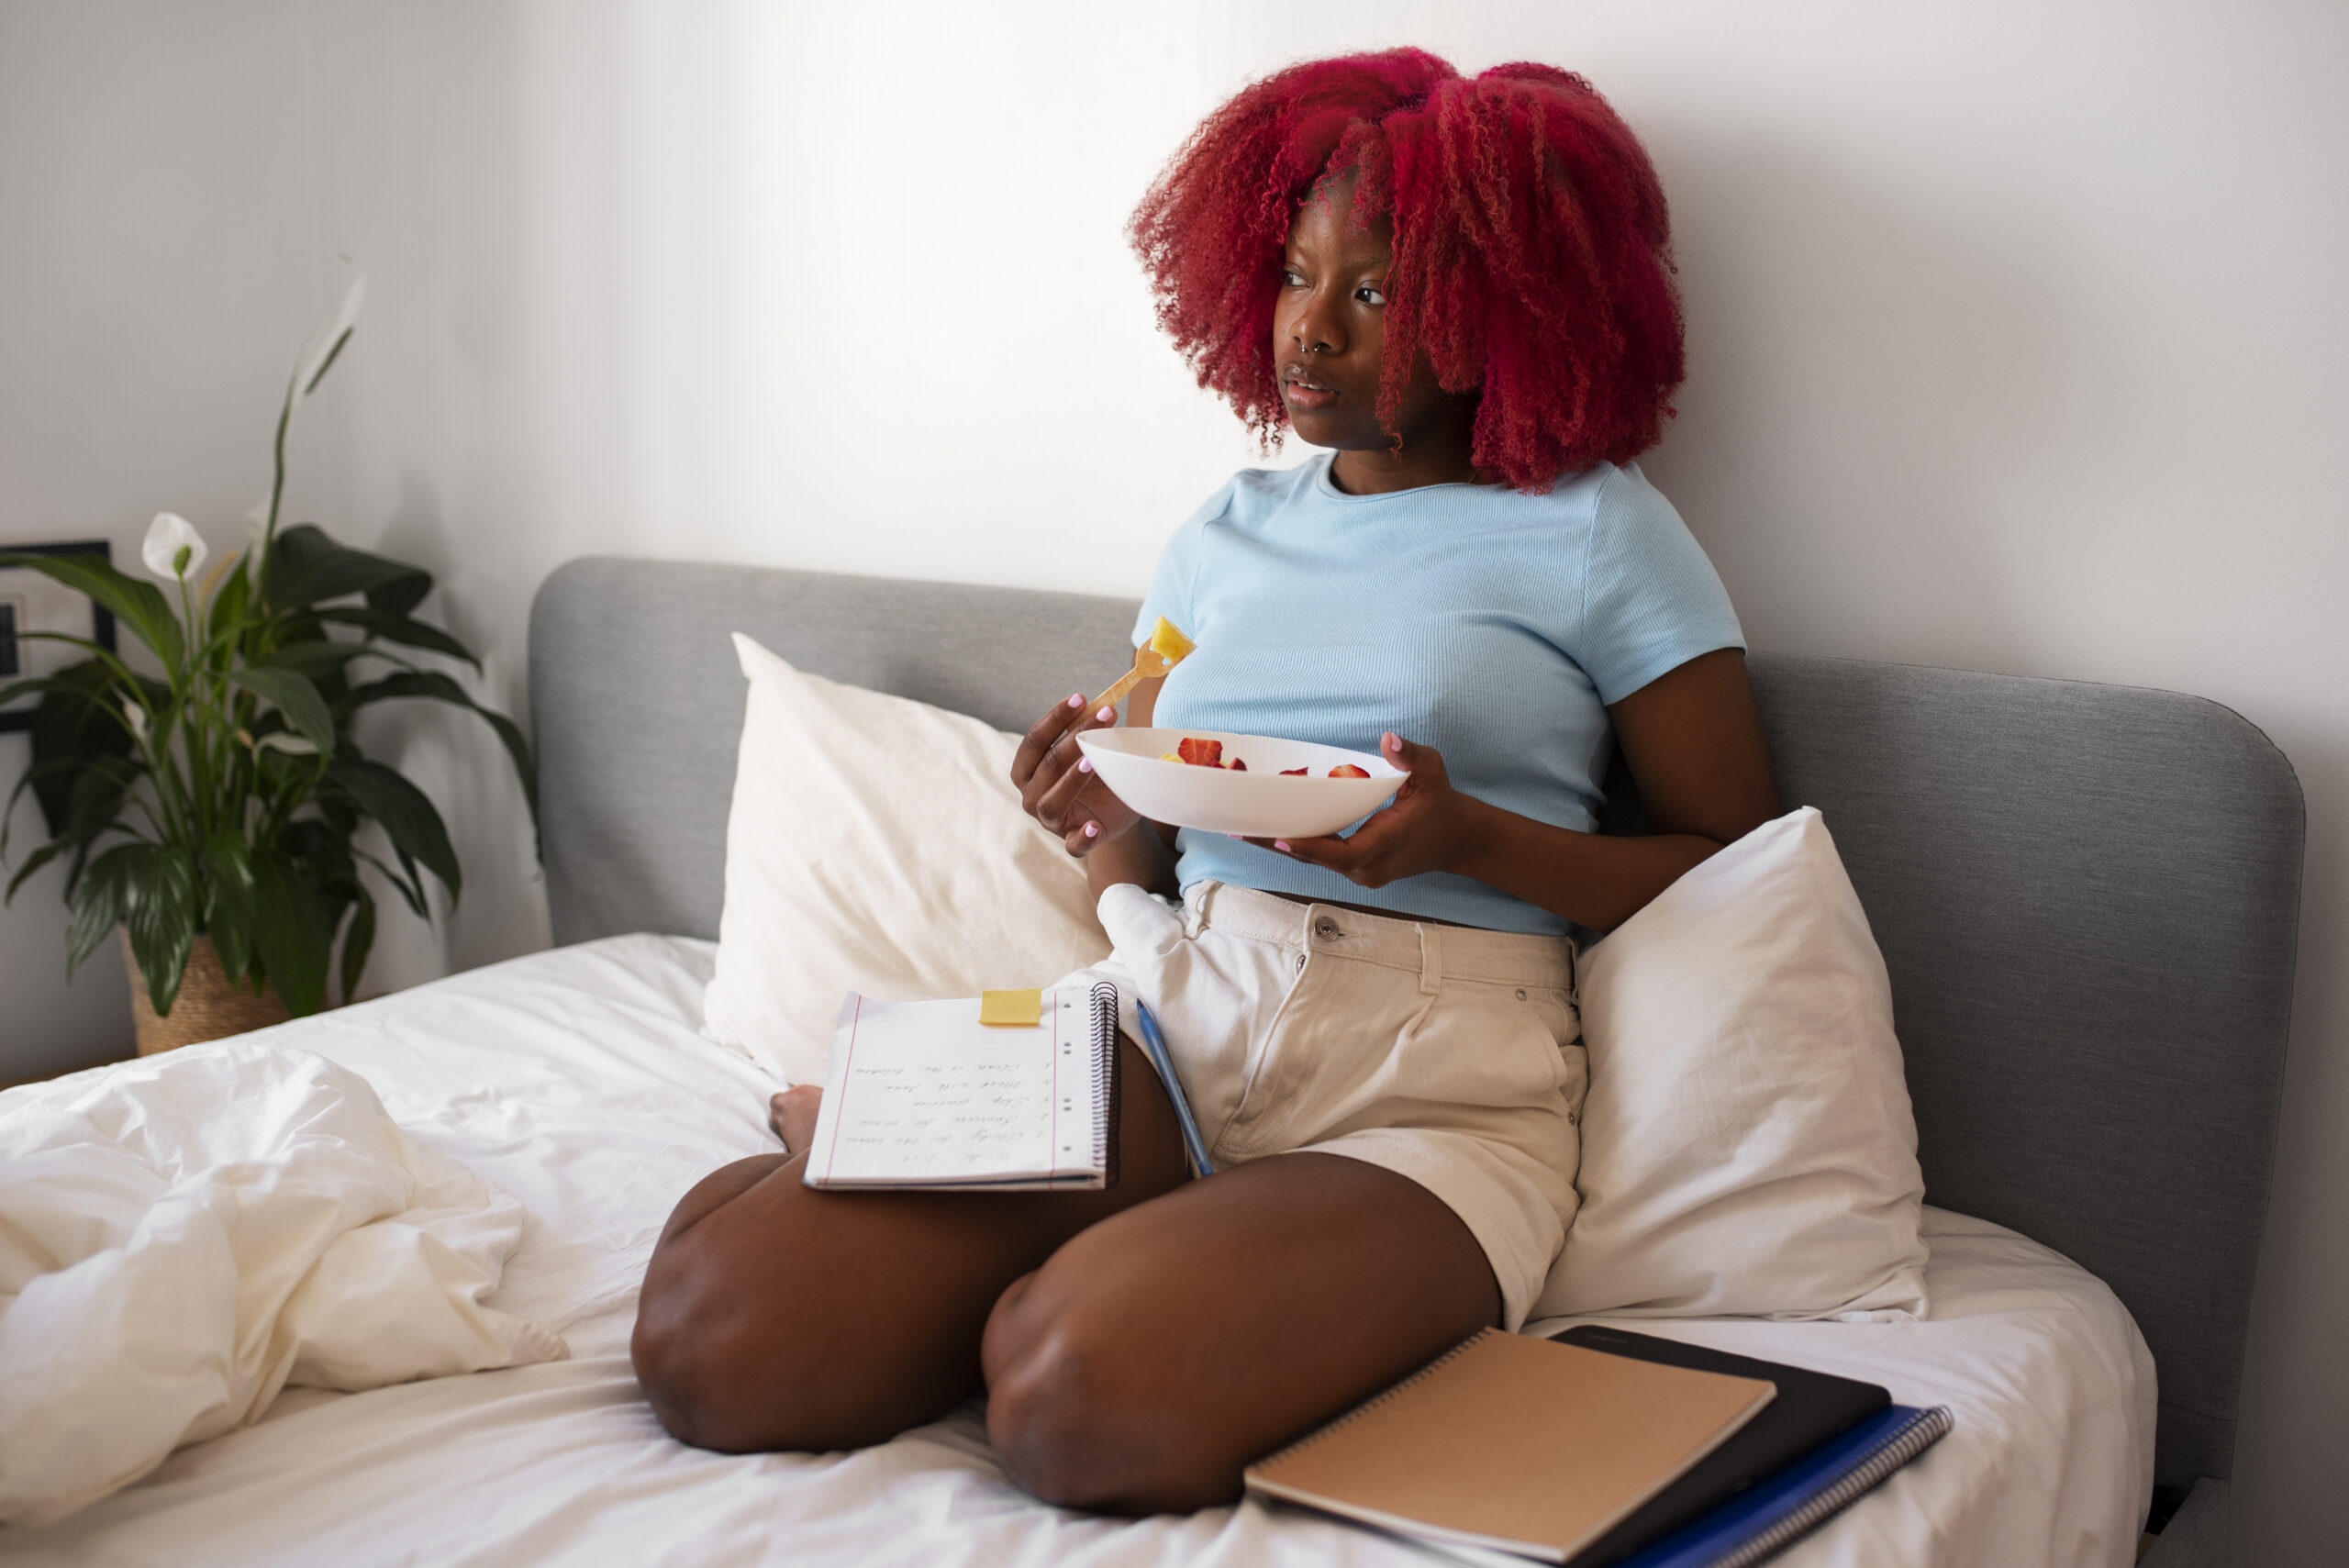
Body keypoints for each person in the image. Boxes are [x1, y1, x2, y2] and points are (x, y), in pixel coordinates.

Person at [631, 47, 1777, 1516]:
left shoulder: (1600, 530)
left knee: (1072, 1396)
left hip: (1429, 1090)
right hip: (1173, 1016)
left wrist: (1475, 838)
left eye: (1376, 292)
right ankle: (888, 1138)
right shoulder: (1221, 534)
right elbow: (1149, 809)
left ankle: (1050, 1216)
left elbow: (1738, 859)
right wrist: (1101, 818)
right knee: (713, 1342)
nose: (1312, 328)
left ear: (1497, 309)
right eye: (1296, 274)